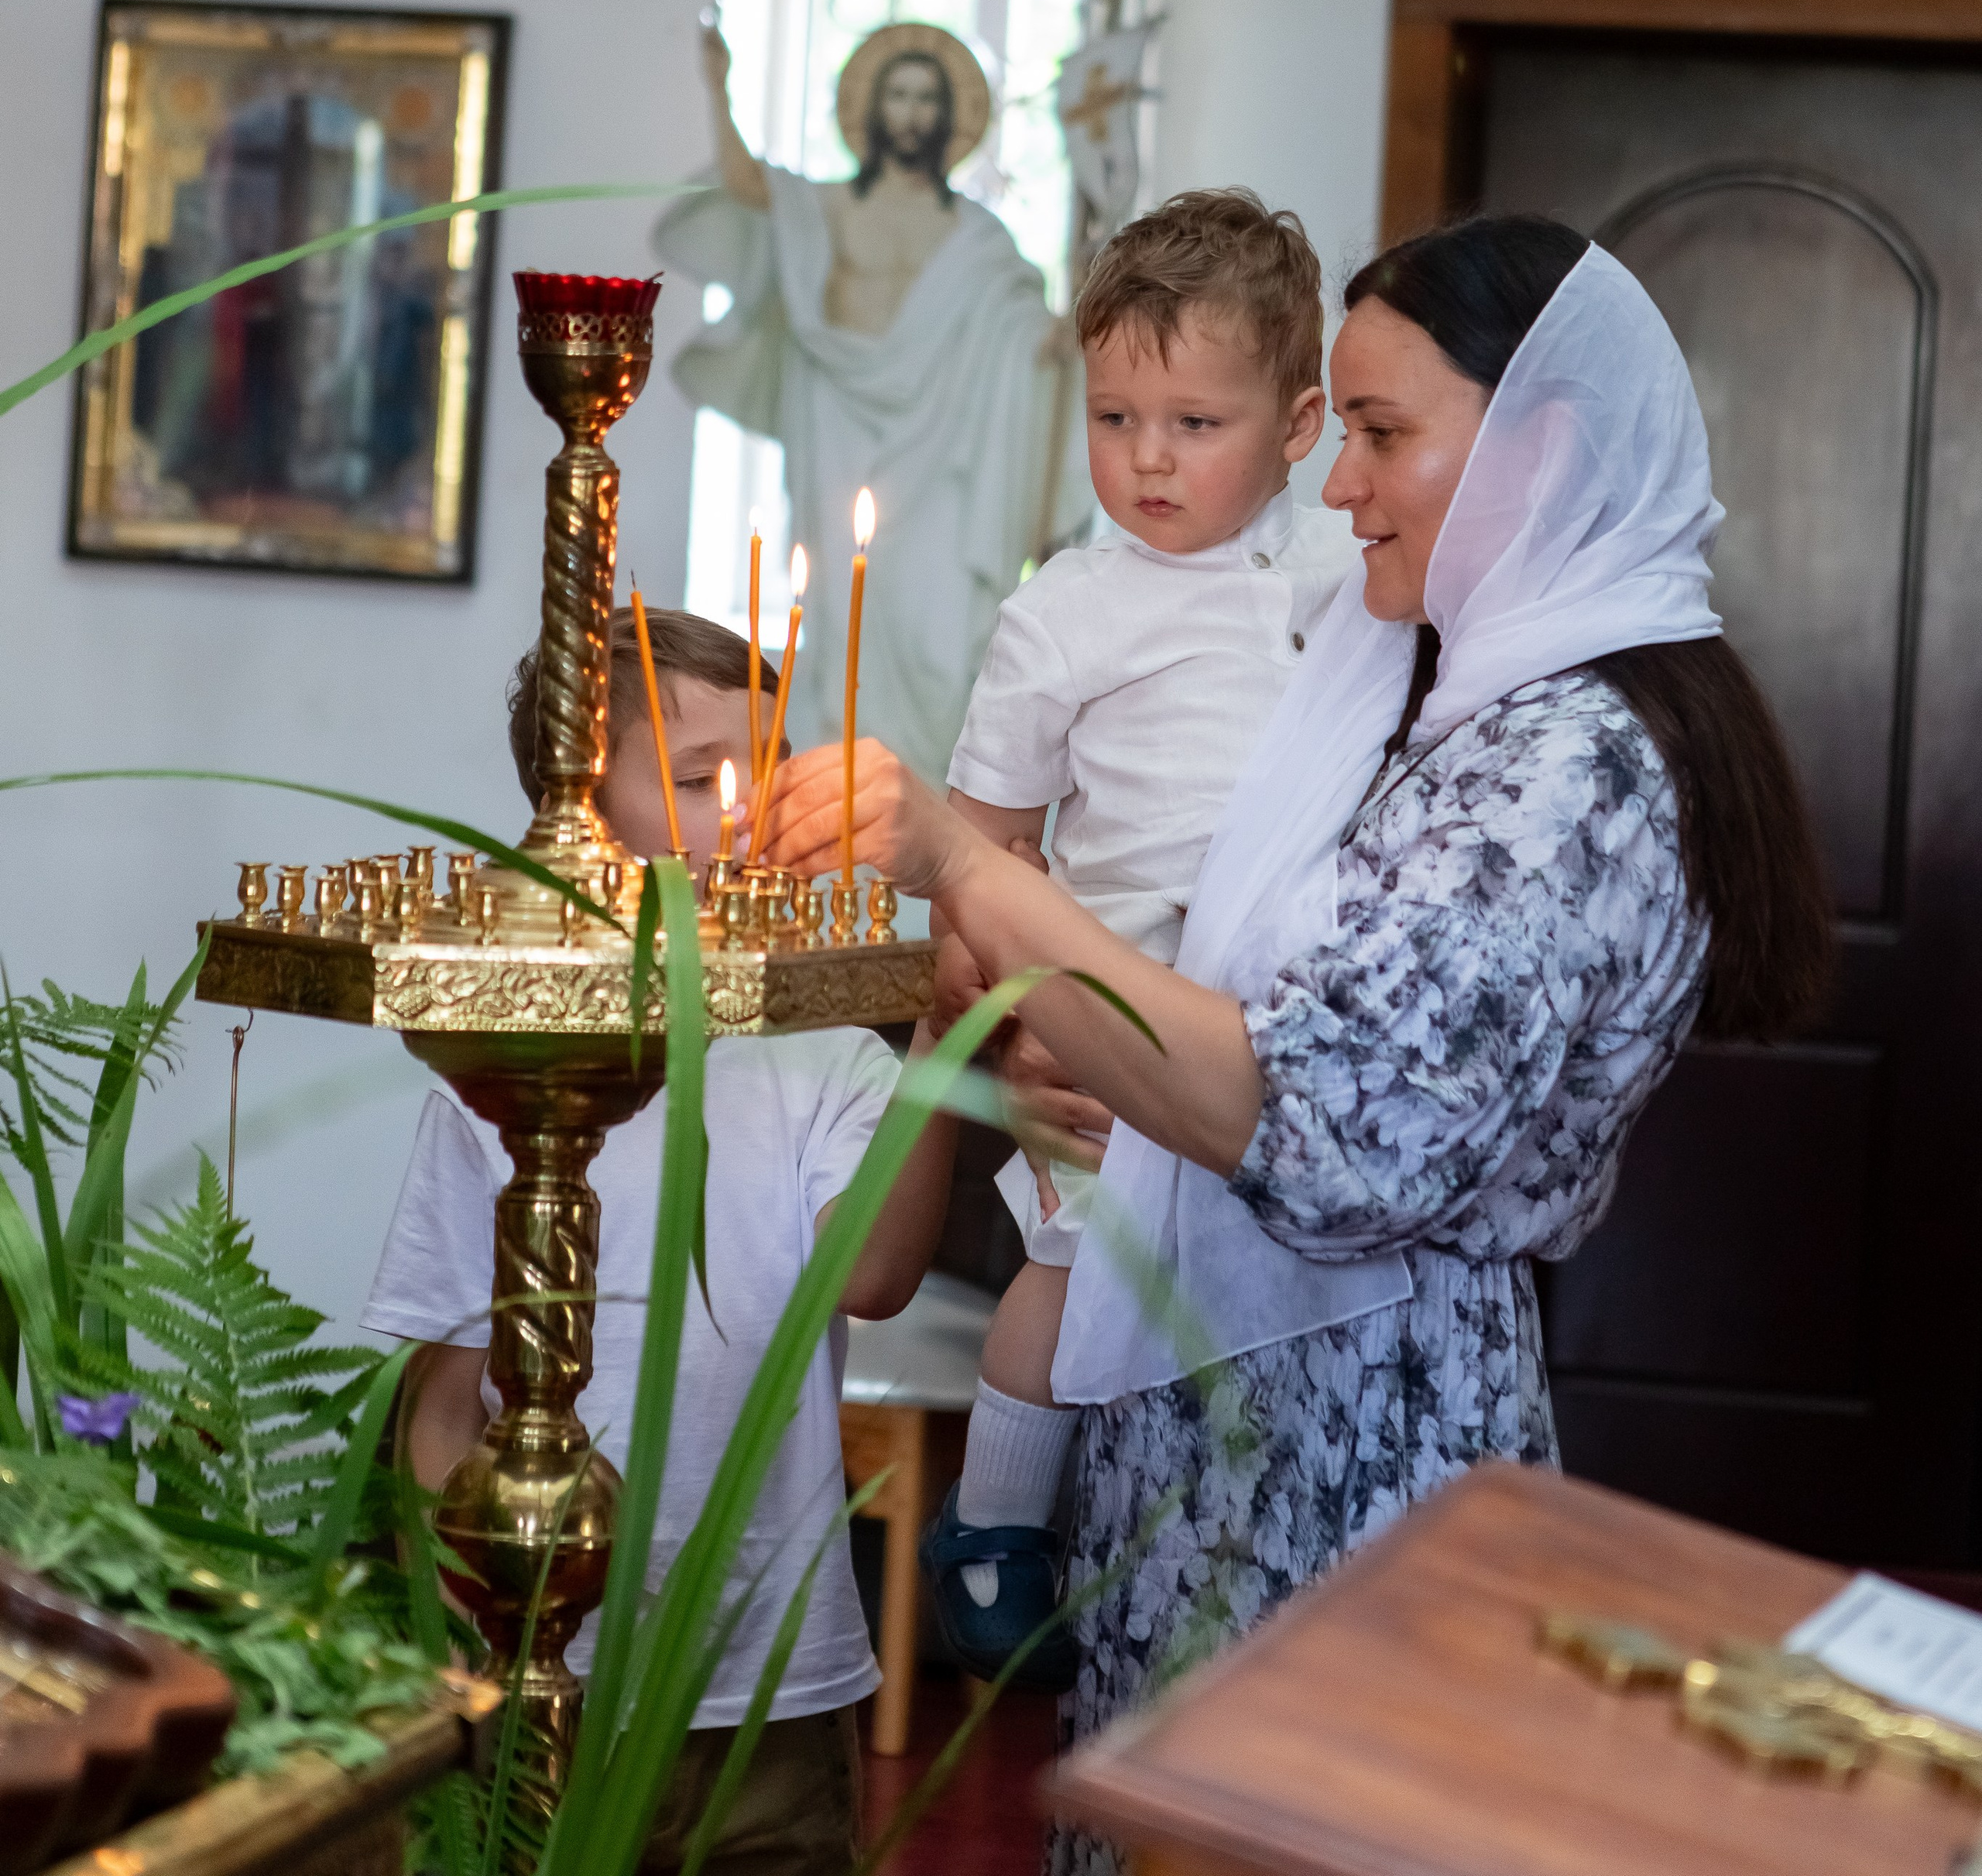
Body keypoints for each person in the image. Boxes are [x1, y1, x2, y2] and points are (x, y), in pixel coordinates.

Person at [763, 217, 1833, 1872]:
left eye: (1382, 434)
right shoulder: (1433, 690)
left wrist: (971, 872)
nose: (1336, 486)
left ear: (1534, 447)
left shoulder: (1564, 764)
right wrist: (1062, 1051)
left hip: (1345, 1448)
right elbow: (1241, 1018)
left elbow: (1328, 1130)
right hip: (1212, 1410)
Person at [365, 605, 958, 1876]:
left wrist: (935, 1049)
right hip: (552, 1676)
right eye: (699, 779)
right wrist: (454, 1631)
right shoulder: (493, 1073)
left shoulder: (822, 1045)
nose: (744, 812)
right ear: (575, 808)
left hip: (771, 1683)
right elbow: (443, 1390)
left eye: (766, 773)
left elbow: (873, 1273)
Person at [926, 190, 1352, 1679]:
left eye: (1193, 421)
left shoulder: (1350, 587)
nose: (1148, 459)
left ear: (1301, 426)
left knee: (1239, 1301)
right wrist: (1011, 1029)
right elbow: (982, 855)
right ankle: (995, 1530)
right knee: (1075, 1272)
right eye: (1116, 418)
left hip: (1275, 1030)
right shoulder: (1063, 615)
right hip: (1099, 1030)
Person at [654, 19, 1088, 784]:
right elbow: (748, 185)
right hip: (838, 429)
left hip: (942, 460)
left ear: (950, 119)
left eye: (927, 99)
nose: (912, 113)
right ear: (872, 110)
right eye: (899, 95)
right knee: (834, 628)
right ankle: (838, 817)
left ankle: (928, 828)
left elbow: (1028, 338)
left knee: (939, 635)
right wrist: (718, 89)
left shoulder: (978, 241)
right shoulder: (824, 209)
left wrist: (1061, 334)